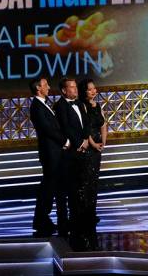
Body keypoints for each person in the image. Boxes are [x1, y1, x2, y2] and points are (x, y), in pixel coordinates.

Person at [28, 77, 69, 236]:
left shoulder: (44, 104)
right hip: (50, 153)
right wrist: (64, 140)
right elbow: (47, 130)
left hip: (55, 153)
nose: (49, 87)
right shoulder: (37, 107)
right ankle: (41, 220)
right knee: (48, 188)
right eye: (46, 85)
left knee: (53, 187)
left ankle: (50, 219)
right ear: (38, 88)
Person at [54, 77, 89, 243]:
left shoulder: (81, 104)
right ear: (64, 90)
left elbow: (85, 124)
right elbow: (66, 127)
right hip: (70, 154)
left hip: (84, 150)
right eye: (72, 87)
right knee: (72, 188)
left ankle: (82, 218)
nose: (75, 90)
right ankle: (71, 222)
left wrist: (86, 140)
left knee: (83, 184)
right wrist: (78, 142)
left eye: (76, 87)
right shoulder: (60, 106)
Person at [76, 77, 107, 249]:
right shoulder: (82, 106)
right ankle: (83, 216)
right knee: (85, 182)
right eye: (90, 89)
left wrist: (103, 141)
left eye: (94, 88)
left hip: (97, 149)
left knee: (94, 181)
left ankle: (92, 213)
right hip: (88, 148)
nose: (93, 91)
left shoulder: (98, 106)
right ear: (84, 91)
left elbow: (103, 124)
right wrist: (94, 144)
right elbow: (84, 128)